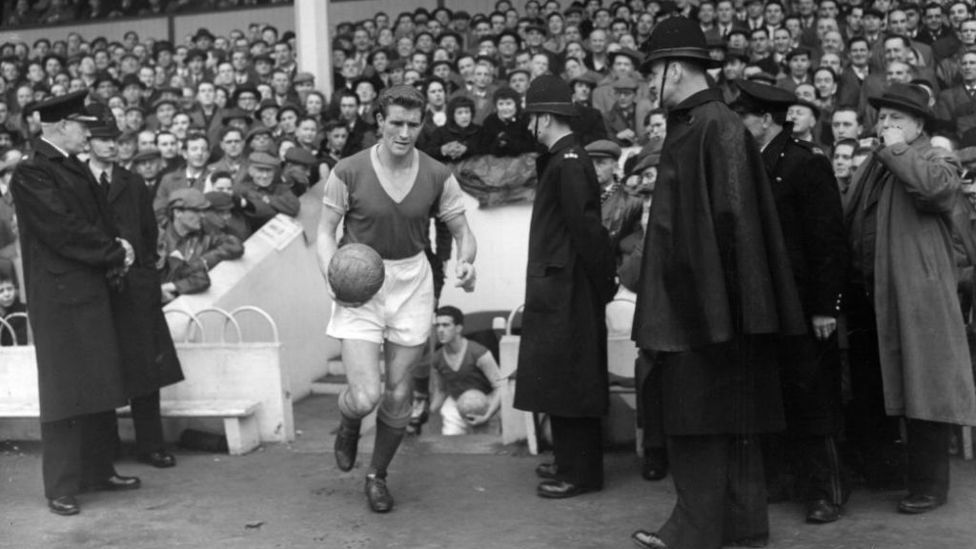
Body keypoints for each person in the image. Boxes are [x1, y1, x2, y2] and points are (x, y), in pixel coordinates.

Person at [630, 19, 805, 549]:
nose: (648, 86)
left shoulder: (714, 126)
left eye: (653, 73)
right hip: (701, 307)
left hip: (703, 312)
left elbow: (735, 227)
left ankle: (696, 530)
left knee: (699, 418)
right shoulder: (702, 124)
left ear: (675, 69)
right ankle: (739, 526)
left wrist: (723, 314)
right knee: (718, 416)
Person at [316, 85, 477, 513]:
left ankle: (377, 475)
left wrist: (466, 262)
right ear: (379, 123)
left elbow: (462, 232)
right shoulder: (347, 170)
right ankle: (349, 420)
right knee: (366, 396)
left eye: (413, 124)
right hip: (359, 282)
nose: (404, 133)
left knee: (399, 393)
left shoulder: (438, 173)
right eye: (396, 123)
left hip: (411, 282)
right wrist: (333, 276)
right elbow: (323, 232)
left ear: (422, 125)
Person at [843, 83, 976, 514]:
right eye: (882, 117)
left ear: (918, 124)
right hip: (873, 291)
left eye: (896, 118)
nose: (885, 125)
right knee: (881, 384)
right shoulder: (875, 161)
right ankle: (889, 473)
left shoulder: (933, 155)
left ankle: (930, 486)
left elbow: (939, 190)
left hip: (918, 292)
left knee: (926, 386)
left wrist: (898, 149)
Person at [9, 90, 141, 516]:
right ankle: (61, 485)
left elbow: (94, 222)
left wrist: (116, 244)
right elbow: (62, 230)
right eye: (83, 126)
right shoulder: (31, 174)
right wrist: (113, 251)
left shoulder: (68, 168)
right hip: (61, 299)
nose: (88, 133)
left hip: (86, 291)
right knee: (65, 392)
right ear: (61, 126)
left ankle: (99, 469)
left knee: (99, 383)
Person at [732, 79, 849, 524]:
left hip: (802, 305)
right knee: (776, 394)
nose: (738, 123)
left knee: (813, 398)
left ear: (765, 119)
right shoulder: (745, 164)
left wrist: (825, 306)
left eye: (743, 116)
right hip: (764, 304)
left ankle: (826, 491)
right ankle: (788, 481)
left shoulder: (805, 164)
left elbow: (827, 241)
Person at [513, 74, 617, 500]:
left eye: (532, 117)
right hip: (561, 287)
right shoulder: (563, 159)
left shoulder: (570, 161)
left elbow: (588, 231)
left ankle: (582, 472)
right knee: (562, 377)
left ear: (545, 118)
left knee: (573, 380)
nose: (529, 126)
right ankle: (570, 461)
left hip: (571, 288)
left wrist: (602, 284)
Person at [84, 102, 184, 469]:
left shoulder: (133, 182)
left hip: (135, 287)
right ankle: (107, 446)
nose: (111, 146)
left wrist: (144, 275)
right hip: (98, 287)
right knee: (102, 368)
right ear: (89, 142)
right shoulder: (79, 180)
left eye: (115, 139)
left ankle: (151, 445)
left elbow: (148, 231)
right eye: (103, 139)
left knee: (146, 370)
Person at [158, 188, 245, 303]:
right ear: (178, 212)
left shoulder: (206, 232)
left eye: (204, 211)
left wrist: (202, 262)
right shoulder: (157, 235)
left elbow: (235, 246)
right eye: (197, 211)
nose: (203, 215)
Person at [428, 306, 504, 435]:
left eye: (446, 325)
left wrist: (487, 415)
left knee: (487, 447)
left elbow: (500, 387)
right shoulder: (437, 358)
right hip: (456, 403)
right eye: (438, 325)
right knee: (450, 441)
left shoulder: (479, 353)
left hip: (486, 401)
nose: (440, 330)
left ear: (458, 328)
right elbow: (440, 391)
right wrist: (425, 413)